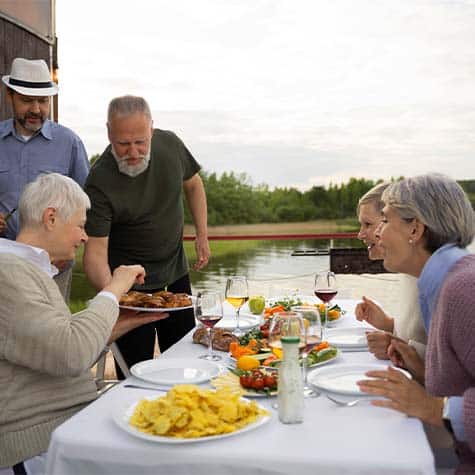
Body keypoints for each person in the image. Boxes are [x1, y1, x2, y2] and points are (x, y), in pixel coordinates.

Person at [0, 173, 168, 473]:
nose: (84, 237)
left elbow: (55, 344)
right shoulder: (8, 273)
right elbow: (70, 354)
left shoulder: (28, 270)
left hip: (70, 423)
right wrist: (113, 290)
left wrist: (120, 323)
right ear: (51, 218)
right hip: (38, 446)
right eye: (79, 225)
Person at [83, 95, 210, 378]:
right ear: (108, 133)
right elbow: (94, 257)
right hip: (128, 290)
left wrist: (202, 233)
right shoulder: (99, 181)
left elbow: (193, 184)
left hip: (175, 278)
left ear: (151, 129)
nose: (133, 152)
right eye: (123, 144)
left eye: (141, 141)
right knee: (135, 376)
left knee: (186, 369)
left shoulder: (171, 145)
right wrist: (115, 300)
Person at [357, 174, 475, 473]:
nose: (378, 235)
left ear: (415, 229)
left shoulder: (464, 287)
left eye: (384, 220)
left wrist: (435, 409)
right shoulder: (444, 281)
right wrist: (422, 368)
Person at [0, 57, 90, 301]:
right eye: (27, 100)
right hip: (4, 269)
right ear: (10, 96)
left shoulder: (70, 143)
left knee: (52, 337)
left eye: (43, 100)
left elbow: (87, 208)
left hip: (55, 270)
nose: (36, 109)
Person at [355, 183, 427, 359]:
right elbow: (420, 335)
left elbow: (454, 365)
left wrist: (397, 348)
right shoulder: (407, 269)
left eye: (368, 224)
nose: (360, 234)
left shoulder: (441, 278)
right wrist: (387, 323)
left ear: (413, 229)